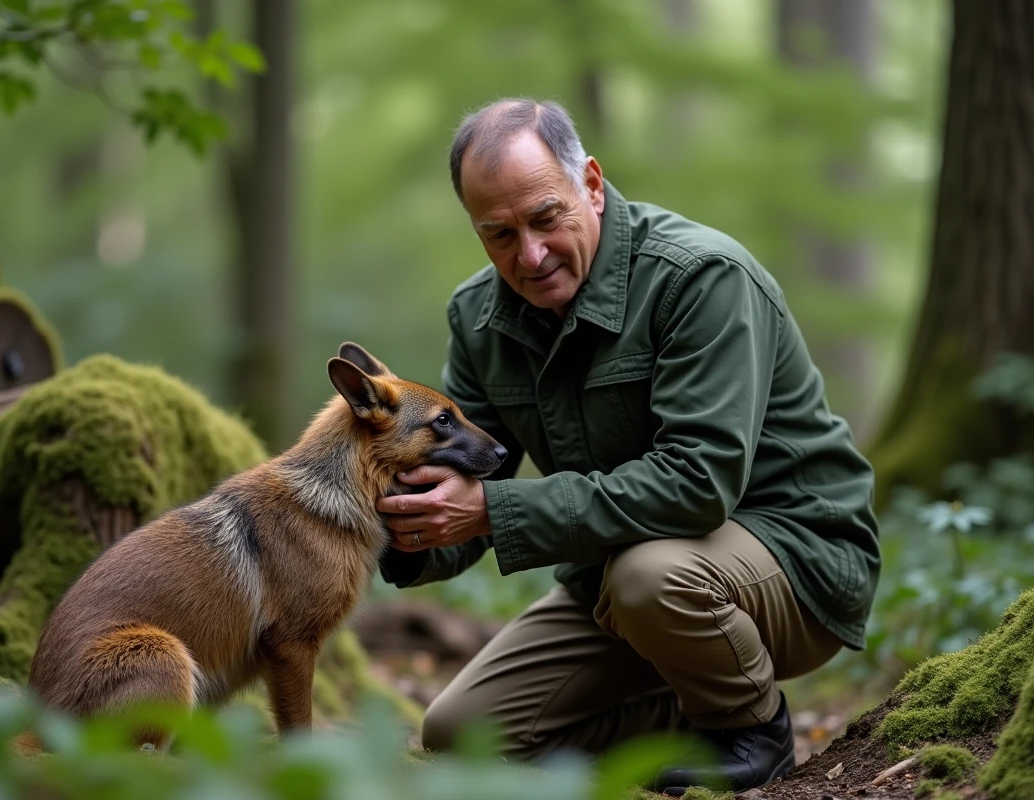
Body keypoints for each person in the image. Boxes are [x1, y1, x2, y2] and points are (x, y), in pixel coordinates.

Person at [374, 97, 880, 795]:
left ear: (592, 183)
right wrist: (405, 529)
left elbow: (698, 486)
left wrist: (494, 510)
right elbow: (471, 481)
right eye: (499, 234)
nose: (530, 254)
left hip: (791, 560)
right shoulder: (478, 317)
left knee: (650, 577)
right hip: (621, 579)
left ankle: (751, 731)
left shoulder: (700, 279)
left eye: (546, 218)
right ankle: (685, 717)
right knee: (462, 734)